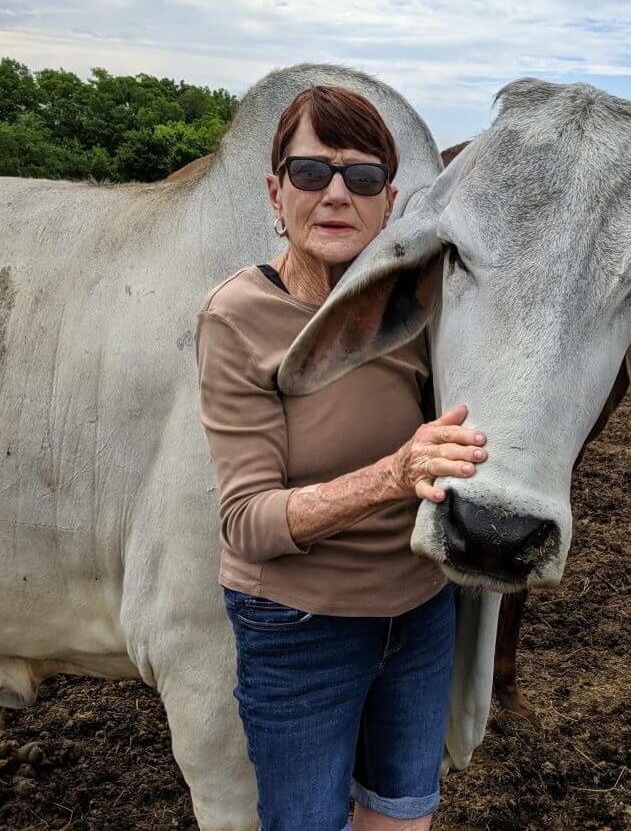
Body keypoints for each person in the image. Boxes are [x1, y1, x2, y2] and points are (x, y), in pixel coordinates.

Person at [194, 85, 487, 831]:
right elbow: (247, 522)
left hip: (418, 613)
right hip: (299, 626)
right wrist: (393, 474)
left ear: (388, 203)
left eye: (360, 177)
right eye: (309, 172)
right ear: (274, 190)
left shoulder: (422, 307)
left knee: (403, 811)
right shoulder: (237, 317)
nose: (334, 193)